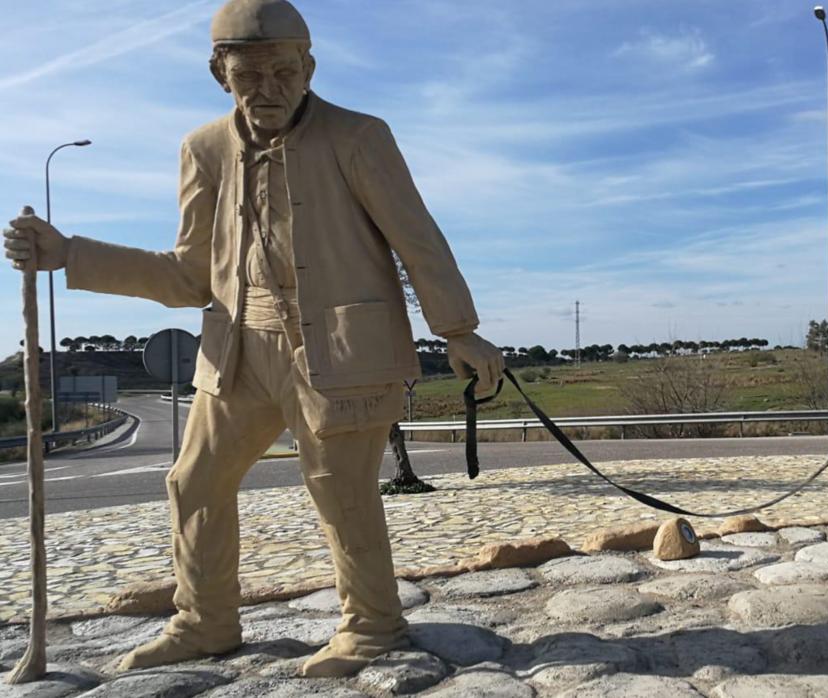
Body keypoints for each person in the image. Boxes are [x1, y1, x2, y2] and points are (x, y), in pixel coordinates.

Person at [3, 0, 503, 678]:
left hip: (339, 350)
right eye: (249, 76)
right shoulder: (203, 149)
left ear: (309, 67)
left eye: (284, 72)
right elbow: (189, 277)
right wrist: (70, 254)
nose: (269, 89)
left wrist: (459, 330)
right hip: (236, 350)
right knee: (194, 480)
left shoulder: (360, 137)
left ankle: (374, 629)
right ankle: (205, 621)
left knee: (340, 489)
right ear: (220, 73)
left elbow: (419, 239)